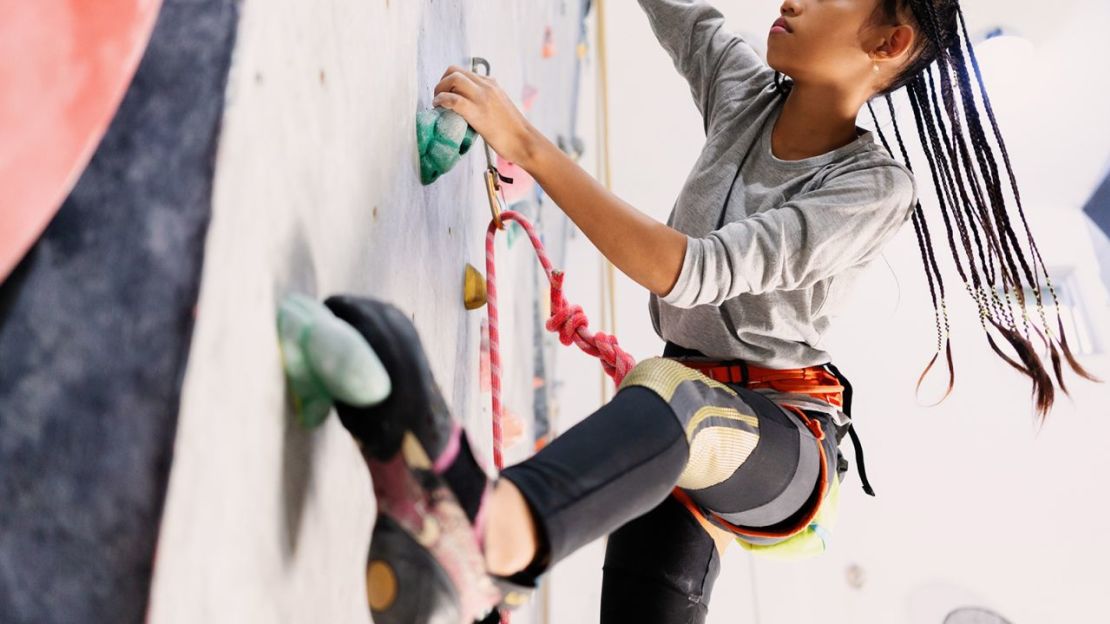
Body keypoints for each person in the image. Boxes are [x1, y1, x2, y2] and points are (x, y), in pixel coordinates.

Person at [337, 1, 1099, 622]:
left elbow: (693, 272)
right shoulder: (742, 95)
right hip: (677, 427)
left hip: (780, 445)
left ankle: (488, 537)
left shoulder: (874, 187)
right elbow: (684, 16)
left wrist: (528, 145)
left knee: (671, 390)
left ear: (889, 40)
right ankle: (449, 579)